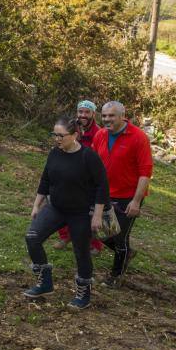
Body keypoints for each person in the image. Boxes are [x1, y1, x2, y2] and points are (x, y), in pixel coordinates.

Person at [24, 117, 110, 309]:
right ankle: (44, 283)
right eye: (54, 134)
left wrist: (97, 215)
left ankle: (83, 293)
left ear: (74, 135)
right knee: (32, 237)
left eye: (61, 135)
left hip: (80, 213)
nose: (57, 139)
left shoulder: (88, 157)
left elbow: (101, 187)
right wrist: (37, 205)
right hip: (56, 208)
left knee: (81, 252)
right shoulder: (55, 153)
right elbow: (45, 179)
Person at [92, 101, 153, 287]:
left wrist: (136, 201)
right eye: (104, 116)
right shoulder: (101, 135)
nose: (107, 119)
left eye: (111, 116)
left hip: (128, 197)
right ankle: (127, 252)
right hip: (105, 195)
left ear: (122, 116)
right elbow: (93, 164)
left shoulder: (138, 137)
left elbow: (145, 172)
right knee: (104, 232)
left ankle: (115, 276)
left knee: (119, 238)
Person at [54, 100, 104, 257]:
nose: (83, 115)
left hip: (89, 176)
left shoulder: (99, 132)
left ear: (93, 114)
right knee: (59, 201)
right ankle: (65, 236)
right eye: (80, 112)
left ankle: (95, 244)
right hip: (70, 172)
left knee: (91, 211)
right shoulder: (71, 127)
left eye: (87, 112)